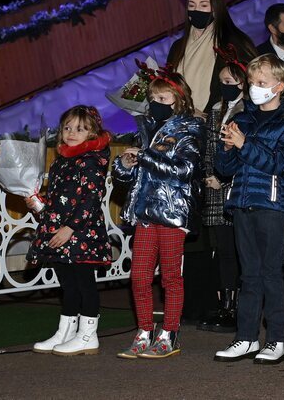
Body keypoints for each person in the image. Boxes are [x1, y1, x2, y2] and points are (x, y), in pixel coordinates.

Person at [213, 54, 284, 365]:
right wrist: (226, 149)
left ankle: (276, 340)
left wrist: (243, 144)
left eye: (261, 83)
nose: (254, 88)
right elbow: (224, 169)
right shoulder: (244, 119)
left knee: (270, 275)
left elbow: (280, 163)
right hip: (242, 204)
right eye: (251, 83)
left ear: (278, 87)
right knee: (248, 275)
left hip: (272, 206)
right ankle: (246, 337)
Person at [113, 70, 205, 359]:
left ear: (178, 100)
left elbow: (184, 171)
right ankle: (144, 331)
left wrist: (147, 157)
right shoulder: (145, 128)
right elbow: (125, 177)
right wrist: (125, 164)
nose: (156, 103)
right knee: (139, 278)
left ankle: (169, 334)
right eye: (152, 98)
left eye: (162, 98)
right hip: (144, 213)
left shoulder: (189, 130)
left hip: (172, 213)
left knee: (170, 278)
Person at [27, 105, 112, 356]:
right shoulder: (61, 162)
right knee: (68, 285)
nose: (72, 133)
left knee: (84, 283)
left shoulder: (92, 160)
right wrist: (38, 204)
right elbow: (58, 200)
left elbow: (90, 199)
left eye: (80, 129)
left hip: (82, 234)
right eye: (67, 128)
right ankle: (65, 331)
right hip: (59, 233)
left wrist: (70, 228)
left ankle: (88, 335)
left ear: (92, 132)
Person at [197, 54, 247, 332]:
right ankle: (226, 305)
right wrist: (208, 175)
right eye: (221, 82)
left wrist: (222, 180)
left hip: (233, 189)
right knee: (221, 249)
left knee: (233, 250)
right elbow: (209, 150)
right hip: (214, 190)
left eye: (229, 81)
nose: (224, 86)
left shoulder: (247, 110)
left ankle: (236, 307)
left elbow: (243, 153)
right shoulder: (217, 109)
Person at [167, 0, 257, 113]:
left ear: (215, 8)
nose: (196, 10)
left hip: (221, 121)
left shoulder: (234, 43)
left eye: (203, 5)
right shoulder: (177, 47)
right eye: (191, 5)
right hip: (181, 121)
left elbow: (253, 81)